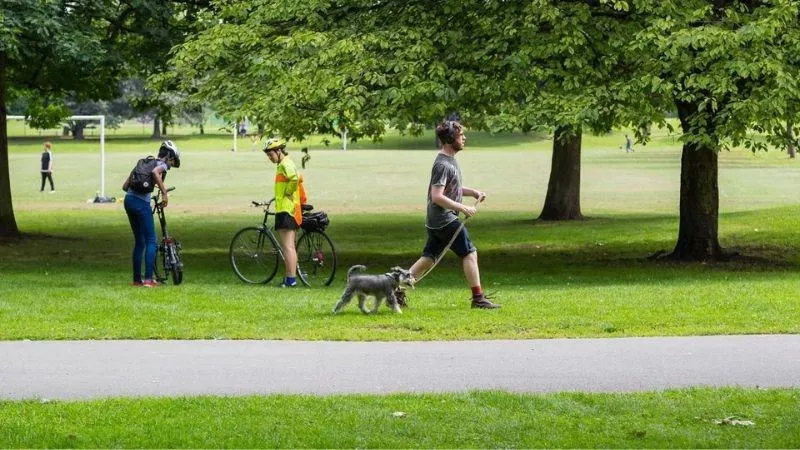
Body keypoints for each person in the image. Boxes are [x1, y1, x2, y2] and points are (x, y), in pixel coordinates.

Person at [409, 121, 500, 309]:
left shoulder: (450, 161)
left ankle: (396, 290)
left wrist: (472, 192)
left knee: (428, 257)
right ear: (450, 139)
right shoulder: (442, 164)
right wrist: (463, 207)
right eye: (460, 135)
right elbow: (437, 196)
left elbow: (452, 188)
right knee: (470, 252)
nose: (464, 138)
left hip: (437, 221)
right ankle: (478, 298)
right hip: (444, 220)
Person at [122, 140, 181, 287]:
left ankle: (137, 280)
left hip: (128, 200)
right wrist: (164, 193)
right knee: (151, 241)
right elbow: (156, 173)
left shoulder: (143, 163)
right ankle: (148, 280)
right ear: (169, 156)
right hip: (141, 203)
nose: (171, 165)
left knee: (140, 242)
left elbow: (124, 187)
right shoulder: (160, 165)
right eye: (172, 161)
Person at [263, 138, 302, 287]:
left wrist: (287, 193)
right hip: (286, 208)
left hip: (286, 210)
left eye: (270, 154)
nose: (269, 158)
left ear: (279, 151)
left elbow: (295, 178)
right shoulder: (284, 164)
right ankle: (290, 279)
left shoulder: (285, 163)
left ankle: (291, 280)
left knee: (288, 247)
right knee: (289, 246)